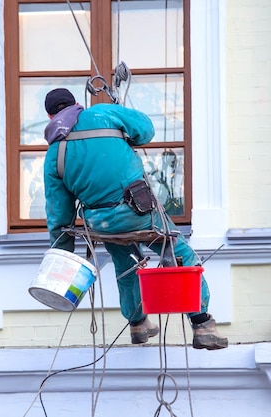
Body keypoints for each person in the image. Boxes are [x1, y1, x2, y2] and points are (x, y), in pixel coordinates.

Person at [42, 88, 228, 350]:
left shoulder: (53, 155)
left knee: (126, 265)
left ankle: (138, 324)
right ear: (76, 104)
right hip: (138, 210)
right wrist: (126, 135)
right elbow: (146, 130)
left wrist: (61, 255)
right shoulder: (102, 113)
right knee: (176, 252)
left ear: (50, 116)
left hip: (100, 222)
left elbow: (59, 213)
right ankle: (202, 324)